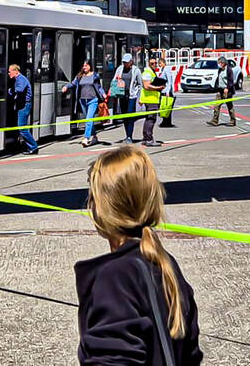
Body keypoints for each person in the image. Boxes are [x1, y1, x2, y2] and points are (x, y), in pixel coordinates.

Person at [75, 146, 202, 365]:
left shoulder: (115, 278)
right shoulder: (164, 264)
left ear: (103, 208)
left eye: (93, 198)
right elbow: (191, 353)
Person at [62, 60, 106, 148]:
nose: (84, 67)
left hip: (93, 100)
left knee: (89, 119)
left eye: (86, 65)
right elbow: (73, 84)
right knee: (88, 120)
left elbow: (99, 87)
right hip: (82, 101)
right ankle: (94, 137)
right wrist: (66, 86)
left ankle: (86, 138)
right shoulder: (79, 76)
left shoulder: (95, 76)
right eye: (83, 66)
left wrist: (103, 94)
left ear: (90, 66)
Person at [7, 64, 38, 154]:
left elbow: (20, 90)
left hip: (24, 106)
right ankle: (27, 145)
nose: (9, 73)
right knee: (21, 127)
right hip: (21, 105)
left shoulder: (21, 79)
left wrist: (11, 91)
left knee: (22, 128)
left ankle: (33, 146)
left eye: (10, 71)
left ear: (16, 71)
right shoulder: (18, 79)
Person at [110, 53, 141, 144]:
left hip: (131, 96)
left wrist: (137, 95)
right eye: (124, 62)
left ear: (131, 62)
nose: (125, 64)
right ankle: (127, 134)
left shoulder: (136, 70)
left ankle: (129, 136)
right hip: (121, 95)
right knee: (124, 116)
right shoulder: (120, 69)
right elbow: (114, 80)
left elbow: (140, 84)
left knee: (130, 116)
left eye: (127, 62)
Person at [139, 57, 164, 147]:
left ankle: (146, 138)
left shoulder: (152, 72)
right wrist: (159, 88)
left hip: (152, 99)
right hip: (150, 100)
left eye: (155, 63)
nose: (154, 65)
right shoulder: (147, 73)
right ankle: (148, 139)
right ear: (148, 64)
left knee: (149, 119)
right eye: (152, 63)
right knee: (151, 119)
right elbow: (146, 86)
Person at [207, 56, 236, 126]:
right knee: (216, 105)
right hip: (220, 90)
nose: (219, 64)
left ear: (223, 63)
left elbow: (231, 81)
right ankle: (215, 120)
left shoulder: (229, 70)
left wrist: (227, 88)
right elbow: (219, 79)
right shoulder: (220, 70)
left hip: (227, 91)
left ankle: (233, 120)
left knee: (229, 106)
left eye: (220, 63)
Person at [157, 59, 176, 128]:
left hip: (167, 92)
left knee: (167, 107)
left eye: (160, 63)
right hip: (163, 90)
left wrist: (168, 91)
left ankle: (167, 122)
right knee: (164, 107)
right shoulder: (162, 70)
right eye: (159, 63)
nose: (159, 65)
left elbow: (169, 81)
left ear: (164, 63)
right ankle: (165, 121)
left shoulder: (167, 69)